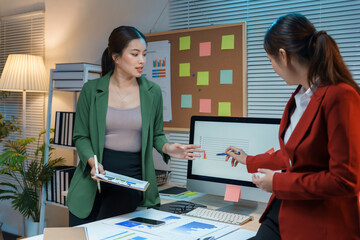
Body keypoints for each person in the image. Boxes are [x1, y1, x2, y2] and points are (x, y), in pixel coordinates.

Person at [224, 13, 360, 240]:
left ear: (283, 56)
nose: (273, 68)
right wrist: (249, 160)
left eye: (270, 61)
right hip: (285, 210)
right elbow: (293, 155)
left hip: (318, 222)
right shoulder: (300, 96)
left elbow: (345, 180)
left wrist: (277, 182)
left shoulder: (340, 95)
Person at [66, 26, 203, 226]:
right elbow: (81, 136)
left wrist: (168, 148)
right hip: (93, 177)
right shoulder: (91, 91)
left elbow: (156, 134)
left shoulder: (152, 92)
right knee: (79, 233)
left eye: (144, 54)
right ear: (116, 57)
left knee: (106, 231)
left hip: (129, 180)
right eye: (135, 54)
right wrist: (92, 162)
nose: (142, 61)